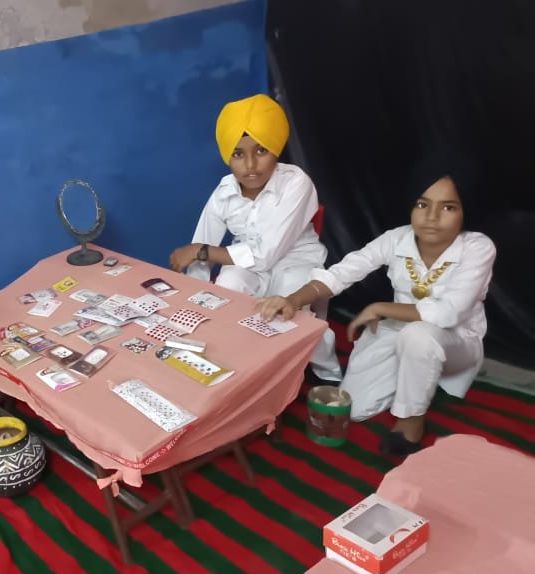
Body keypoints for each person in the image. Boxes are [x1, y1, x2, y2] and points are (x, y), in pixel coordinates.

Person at [256, 153, 495, 456]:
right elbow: (343, 272)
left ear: (465, 211)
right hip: (398, 330)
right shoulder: (397, 239)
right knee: (353, 407)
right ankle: (414, 375)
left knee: (419, 337)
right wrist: (292, 300)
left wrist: (380, 308)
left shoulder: (477, 247)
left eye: (448, 207)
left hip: (456, 341)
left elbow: (448, 312)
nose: (432, 217)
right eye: (423, 205)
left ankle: (411, 422)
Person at [170, 94, 342, 382]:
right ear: (228, 156)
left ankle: (328, 374)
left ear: (276, 148)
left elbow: (262, 255)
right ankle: (248, 363)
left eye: (261, 150)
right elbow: (201, 246)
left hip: (295, 261)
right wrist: (196, 304)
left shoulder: (296, 182)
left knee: (291, 311)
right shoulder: (224, 192)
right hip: (246, 263)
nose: (250, 165)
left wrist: (203, 251)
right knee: (226, 288)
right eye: (238, 154)